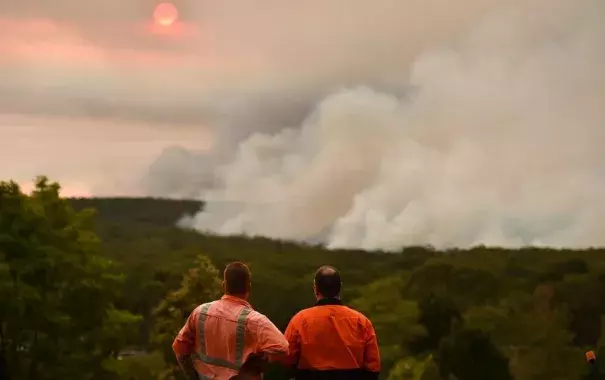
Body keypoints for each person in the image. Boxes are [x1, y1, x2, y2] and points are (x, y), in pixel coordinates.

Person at [173, 261, 288, 380]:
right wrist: (261, 361)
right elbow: (282, 348)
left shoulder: (200, 312)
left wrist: (193, 376)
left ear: (224, 285)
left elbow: (179, 348)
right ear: (249, 287)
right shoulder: (254, 320)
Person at [283, 265, 381, 380]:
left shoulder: (300, 320)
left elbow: (286, 358)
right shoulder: (361, 321)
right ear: (340, 287)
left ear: (315, 288)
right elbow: (373, 366)